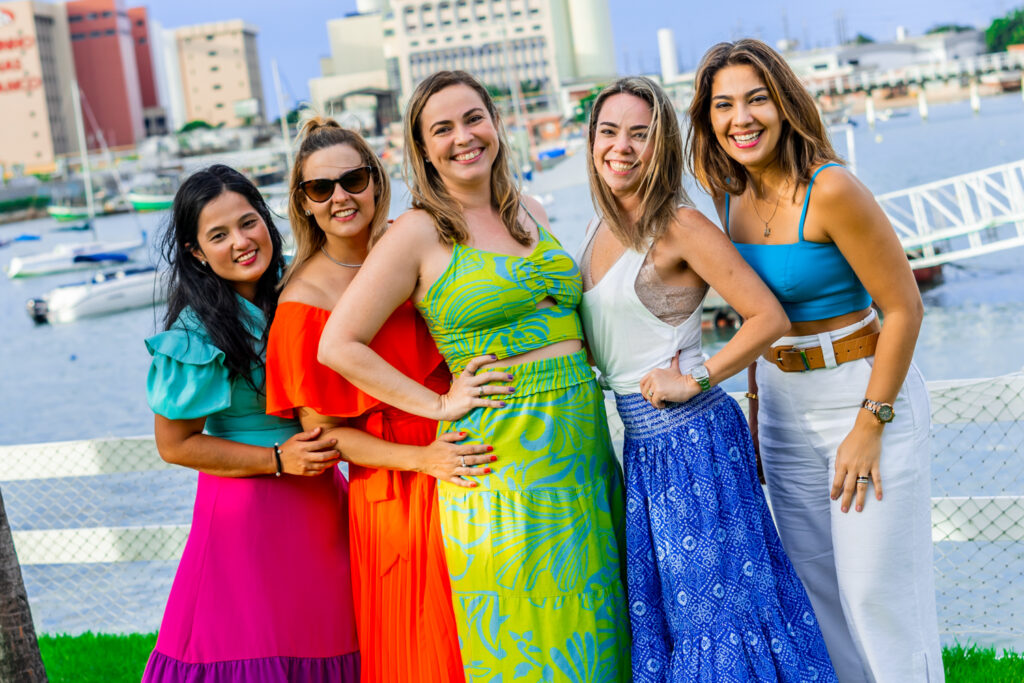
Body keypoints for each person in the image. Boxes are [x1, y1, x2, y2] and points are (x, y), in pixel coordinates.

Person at [317, 70, 631, 681]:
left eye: (473, 118)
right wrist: (438, 405)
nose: (464, 137)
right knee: (532, 646)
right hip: (502, 458)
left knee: (604, 635)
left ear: (495, 123)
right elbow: (338, 344)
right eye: (443, 128)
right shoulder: (418, 231)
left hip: (584, 450)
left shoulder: (531, 212)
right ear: (423, 148)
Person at [688, 39, 943, 682]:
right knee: (819, 596)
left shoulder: (831, 190)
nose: (740, 118)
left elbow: (905, 309)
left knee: (876, 596)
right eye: (723, 105)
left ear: (784, 104)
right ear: (707, 118)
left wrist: (870, 422)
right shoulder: (722, 198)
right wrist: (753, 410)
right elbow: (757, 316)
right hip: (780, 404)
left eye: (756, 99)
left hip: (863, 394)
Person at [579, 75, 835, 682]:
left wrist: (696, 376)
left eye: (640, 135)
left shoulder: (678, 224)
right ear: (591, 141)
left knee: (722, 617)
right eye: (609, 132)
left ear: (661, 144)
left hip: (694, 444)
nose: (623, 147)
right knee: (673, 621)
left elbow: (768, 316)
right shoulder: (594, 231)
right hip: (642, 452)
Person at [264, 117, 493, 682]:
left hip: (474, 450)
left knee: (497, 627)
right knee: (432, 646)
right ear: (305, 203)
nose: (341, 197)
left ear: (376, 179)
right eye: (322, 188)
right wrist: (424, 459)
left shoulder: (417, 241)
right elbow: (323, 435)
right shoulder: (303, 302)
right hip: (399, 479)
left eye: (354, 179)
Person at [141, 165, 359, 682]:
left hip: (323, 503)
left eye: (248, 222)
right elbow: (174, 445)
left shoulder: (302, 286)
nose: (241, 242)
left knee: (337, 640)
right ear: (196, 252)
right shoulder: (195, 332)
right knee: (254, 652)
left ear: (266, 219)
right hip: (248, 516)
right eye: (218, 235)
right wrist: (279, 459)